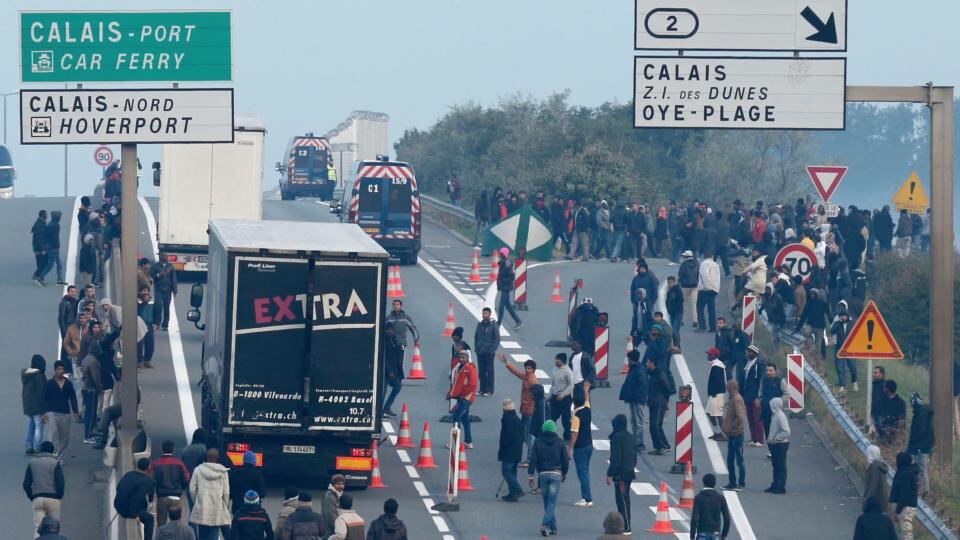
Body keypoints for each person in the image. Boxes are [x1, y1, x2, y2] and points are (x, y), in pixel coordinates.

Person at [528, 420, 568, 537]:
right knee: (551, 502)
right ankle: (545, 525)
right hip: (556, 474)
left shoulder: (538, 442)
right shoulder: (560, 442)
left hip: (543, 474)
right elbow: (565, 460)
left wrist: (531, 475)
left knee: (547, 502)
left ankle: (553, 528)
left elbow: (533, 459)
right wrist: (564, 473)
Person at [500, 354, 538, 460]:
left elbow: (535, 398)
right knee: (523, 434)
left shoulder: (532, 381)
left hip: (529, 412)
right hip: (525, 411)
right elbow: (516, 372)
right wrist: (507, 363)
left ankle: (530, 457)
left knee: (527, 436)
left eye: (529, 368)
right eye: (526, 368)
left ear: (533, 370)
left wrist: (530, 410)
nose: (526, 370)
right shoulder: (527, 377)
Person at [189, 448, 232, 540]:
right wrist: (225, 505)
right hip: (217, 507)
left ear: (206, 457)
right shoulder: (223, 472)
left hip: (202, 507)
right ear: (218, 457)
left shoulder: (198, 470)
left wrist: (196, 501)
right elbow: (226, 492)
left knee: (202, 535)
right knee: (214, 533)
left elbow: (192, 489)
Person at [24, 440, 65, 533]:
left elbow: (26, 484)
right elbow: (60, 483)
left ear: (40, 450)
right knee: (54, 528)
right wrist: (59, 496)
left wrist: (33, 497)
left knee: (38, 529)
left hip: (37, 499)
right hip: (53, 499)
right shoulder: (55, 463)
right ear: (52, 451)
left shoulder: (32, 463)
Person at [41, 360, 80, 458]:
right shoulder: (49, 384)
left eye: (62, 369)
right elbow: (43, 398)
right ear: (55, 370)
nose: (61, 371)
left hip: (65, 413)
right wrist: (42, 413)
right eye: (59, 369)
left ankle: (59, 456)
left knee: (64, 438)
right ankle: (52, 455)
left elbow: (73, 398)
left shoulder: (68, 384)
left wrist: (75, 412)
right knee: (53, 435)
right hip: (51, 413)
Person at [606, 414, 636, 534]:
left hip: (621, 474)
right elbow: (634, 456)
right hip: (628, 472)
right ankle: (623, 525)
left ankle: (626, 527)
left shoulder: (617, 438)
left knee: (622, 501)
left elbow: (615, 458)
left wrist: (610, 473)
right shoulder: (630, 436)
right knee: (623, 499)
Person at [150, 440, 192, 526]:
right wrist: (181, 487)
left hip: (162, 497)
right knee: (176, 525)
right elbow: (187, 478)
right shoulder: (179, 463)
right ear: (173, 450)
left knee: (161, 525)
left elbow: (150, 480)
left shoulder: (156, 464)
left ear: (162, 449)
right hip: (176, 497)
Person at [115, 457, 156, 540]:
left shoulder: (128, 474)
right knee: (150, 519)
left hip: (118, 504)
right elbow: (137, 498)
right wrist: (135, 515)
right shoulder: (147, 481)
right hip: (128, 509)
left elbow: (118, 487)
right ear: (148, 468)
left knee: (142, 503)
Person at [618, 350, 648, 451]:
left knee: (638, 422)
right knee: (634, 421)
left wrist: (637, 399)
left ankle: (640, 442)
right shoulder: (635, 369)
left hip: (638, 400)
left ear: (631, 359)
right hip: (634, 399)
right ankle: (636, 441)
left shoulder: (638, 370)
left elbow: (642, 387)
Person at [569, 388, 593, 507]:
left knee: (582, 473)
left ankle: (587, 498)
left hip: (580, 448)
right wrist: (586, 391)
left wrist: (570, 449)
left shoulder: (576, 416)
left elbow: (574, 433)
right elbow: (587, 400)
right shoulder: (587, 409)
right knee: (586, 471)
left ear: (574, 403)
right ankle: (587, 497)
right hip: (589, 445)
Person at [448, 351, 478, 448]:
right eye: (460, 358)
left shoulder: (468, 368)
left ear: (467, 358)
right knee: (465, 419)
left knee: (456, 417)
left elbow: (471, 385)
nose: (461, 359)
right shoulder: (464, 368)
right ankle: (468, 441)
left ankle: (455, 442)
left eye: (463, 358)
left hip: (465, 398)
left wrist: (460, 394)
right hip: (464, 397)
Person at [906, 392, 934, 496]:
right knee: (921, 467)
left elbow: (919, 431)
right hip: (923, 446)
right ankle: (922, 488)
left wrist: (915, 446)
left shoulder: (920, 413)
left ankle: (924, 490)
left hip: (919, 446)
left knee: (921, 467)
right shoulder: (923, 412)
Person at [498, 398, 525, 501]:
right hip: (517, 449)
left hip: (509, 450)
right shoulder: (517, 419)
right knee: (512, 471)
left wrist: (502, 449)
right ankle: (512, 493)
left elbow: (507, 437)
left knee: (506, 471)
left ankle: (517, 490)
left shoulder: (507, 420)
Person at [722, 379, 747, 491]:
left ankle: (740, 483)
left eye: (728, 387)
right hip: (733, 434)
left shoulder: (736, 399)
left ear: (732, 388)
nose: (727, 389)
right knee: (731, 459)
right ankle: (732, 482)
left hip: (736, 434)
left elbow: (740, 417)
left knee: (738, 459)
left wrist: (731, 426)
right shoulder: (734, 398)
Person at [689, 473, 730, 540]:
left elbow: (694, 519)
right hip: (716, 533)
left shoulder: (698, 498)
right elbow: (727, 519)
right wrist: (724, 535)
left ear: (703, 483)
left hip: (702, 533)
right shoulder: (720, 498)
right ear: (714, 483)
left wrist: (692, 536)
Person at [739, 345, 766, 447]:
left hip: (755, 396)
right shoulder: (749, 363)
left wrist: (758, 397)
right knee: (750, 418)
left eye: (748, 352)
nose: (747, 353)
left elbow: (760, 382)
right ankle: (753, 439)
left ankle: (759, 440)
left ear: (753, 353)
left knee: (757, 418)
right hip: (748, 395)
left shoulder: (759, 365)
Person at [646, 358, 672, 455]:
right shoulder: (653, 373)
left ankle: (662, 446)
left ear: (652, 363)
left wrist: (665, 402)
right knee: (654, 426)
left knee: (655, 426)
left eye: (648, 362)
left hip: (658, 404)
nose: (646, 363)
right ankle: (660, 446)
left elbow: (668, 390)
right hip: (653, 403)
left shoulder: (660, 376)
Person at [890, 452, 918, 539]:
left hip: (906, 507)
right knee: (905, 531)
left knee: (906, 532)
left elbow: (904, 494)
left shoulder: (905, 474)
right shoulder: (908, 472)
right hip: (907, 506)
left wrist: (897, 510)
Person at [23, 354, 47, 455]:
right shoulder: (38, 376)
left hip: (28, 406)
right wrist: (43, 410)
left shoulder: (26, 375)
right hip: (37, 406)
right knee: (39, 426)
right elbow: (41, 393)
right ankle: (38, 447)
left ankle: (29, 446)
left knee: (30, 425)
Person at [765, 397, 791, 494]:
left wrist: (776, 438)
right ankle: (775, 484)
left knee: (780, 466)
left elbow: (786, 431)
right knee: (776, 465)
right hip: (775, 445)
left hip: (780, 444)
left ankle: (781, 486)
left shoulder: (780, 416)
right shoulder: (775, 415)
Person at [230, 451, 267, 516]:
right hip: (254, 509)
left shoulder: (235, 473)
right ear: (254, 461)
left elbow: (231, 492)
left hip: (238, 507)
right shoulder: (257, 474)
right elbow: (262, 493)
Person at [474, 307, 501, 396]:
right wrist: (476, 348)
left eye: (486, 313)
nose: (484, 315)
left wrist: (492, 349)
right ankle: (482, 389)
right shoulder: (479, 325)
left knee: (489, 371)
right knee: (481, 371)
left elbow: (497, 339)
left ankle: (490, 390)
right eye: (483, 313)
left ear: (489, 314)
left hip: (489, 352)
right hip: (480, 351)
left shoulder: (493, 325)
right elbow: (476, 337)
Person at [495, 247, 524, 329]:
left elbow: (512, 276)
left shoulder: (507, 263)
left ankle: (498, 324)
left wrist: (502, 281)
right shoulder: (502, 262)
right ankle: (518, 321)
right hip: (504, 286)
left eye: (501, 253)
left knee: (501, 306)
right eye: (500, 253)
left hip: (506, 287)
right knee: (508, 306)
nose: (500, 254)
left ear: (504, 254)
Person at [757, 364, 787, 439]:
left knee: (776, 431)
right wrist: (760, 400)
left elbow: (787, 394)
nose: (768, 372)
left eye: (770, 370)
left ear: (775, 371)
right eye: (767, 370)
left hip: (776, 411)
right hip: (765, 410)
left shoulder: (780, 381)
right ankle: (770, 449)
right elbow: (760, 392)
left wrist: (779, 401)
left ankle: (776, 449)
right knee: (767, 431)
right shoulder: (763, 380)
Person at [549, 353, 574, 440]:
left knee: (566, 419)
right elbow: (553, 384)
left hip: (565, 398)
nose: (555, 361)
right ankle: (550, 434)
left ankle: (567, 437)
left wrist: (563, 395)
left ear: (562, 361)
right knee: (552, 417)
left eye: (557, 359)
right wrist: (550, 395)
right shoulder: (554, 370)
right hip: (555, 397)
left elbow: (571, 386)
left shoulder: (568, 371)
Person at [830, 309, 856, 393]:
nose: (842, 317)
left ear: (847, 316)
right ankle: (843, 385)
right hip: (840, 348)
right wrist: (837, 323)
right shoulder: (837, 324)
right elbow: (832, 331)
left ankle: (854, 381)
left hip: (850, 348)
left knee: (852, 367)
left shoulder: (852, 323)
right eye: (841, 316)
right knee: (840, 367)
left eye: (844, 315)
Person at [381, 323, 404, 417]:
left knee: (398, 386)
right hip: (385, 371)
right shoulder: (383, 341)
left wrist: (400, 374)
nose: (390, 331)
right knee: (383, 391)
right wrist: (389, 370)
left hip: (394, 371)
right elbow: (383, 358)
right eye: (388, 329)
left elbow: (397, 359)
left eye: (391, 330)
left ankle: (386, 407)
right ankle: (379, 411)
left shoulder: (394, 341)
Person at [705, 348, 727, 441]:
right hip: (713, 394)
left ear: (715, 355)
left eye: (710, 354)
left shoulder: (717, 366)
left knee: (718, 414)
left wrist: (714, 393)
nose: (708, 356)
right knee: (710, 413)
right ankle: (717, 432)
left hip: (716, 394)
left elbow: (719, 382)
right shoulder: (714, 365)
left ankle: (724, 434)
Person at [38, 210, 65, 285]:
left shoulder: (50, 225)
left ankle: (59, 280)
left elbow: (46, 237)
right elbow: (54, 238)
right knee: (51, 265)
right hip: (53, 248)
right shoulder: (56, 226)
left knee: (57, 264)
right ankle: (40, 277)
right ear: (57, 217)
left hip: (52, 247)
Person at [152, 254, 178, 330]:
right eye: (163, 256)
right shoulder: (155, 266)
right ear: (160, 257)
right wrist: (158, 275)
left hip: (167, 290)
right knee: (158, 307)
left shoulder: (170, 266)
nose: (165, 257)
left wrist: (175, 290)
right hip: (158, 290)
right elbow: (151, 276)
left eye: (166, 256)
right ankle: (157, 323)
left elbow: (174, 278)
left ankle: (165, 325)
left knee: (166, 308)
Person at [696, 251, 720, 333]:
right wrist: (716, 288)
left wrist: (707, 287)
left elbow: (705, 276)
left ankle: (702, 326)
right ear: (712, 256)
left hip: (705, 289)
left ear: (704, 256)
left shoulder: (704, 264)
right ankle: (713, 327)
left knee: (700, 307)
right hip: (714, 289)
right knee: (711, 308)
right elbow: (717, 277)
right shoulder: (715, 264)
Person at [877, 380, 907, 446]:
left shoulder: (900, 403)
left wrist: (894, 431)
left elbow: (902, 421)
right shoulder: (881, 400)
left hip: (894, 438)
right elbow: (878, 416)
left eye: (884, 387)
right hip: (881, 437)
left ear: (888, 389)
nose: (883, 389)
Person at [863, 445, 890, 511]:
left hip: (875, 501)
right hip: (881, 499)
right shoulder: (879, 464)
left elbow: (873, 484)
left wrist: (867, 501)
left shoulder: (874, 466)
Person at [678, 251, 700, 328]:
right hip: (695, 286)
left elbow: (680, 274)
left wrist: (680, 282)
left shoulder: (684, 264)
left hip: (685, 286)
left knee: (684, 303)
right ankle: (695, 320)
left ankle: (681, 320)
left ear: (686, 257)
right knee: (694, 304)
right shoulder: (697, 263)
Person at [32, 210, 49, 285]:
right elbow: (40, 238)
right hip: (39, 248)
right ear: (43, 215)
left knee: (41, 263)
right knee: (43, 263)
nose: (47, 216)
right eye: (46, 215)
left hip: (37, 247)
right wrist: (43, 249)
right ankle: (41, 278)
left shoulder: (39, 223)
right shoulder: (40, 224)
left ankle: (36, 275)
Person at [871, 366, 887, 431]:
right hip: (874, 413)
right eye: (873, 372)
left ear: (881, 374)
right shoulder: (873, 384)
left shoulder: (885, 385)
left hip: (882, 414)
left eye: (875, 373)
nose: (873, 374)